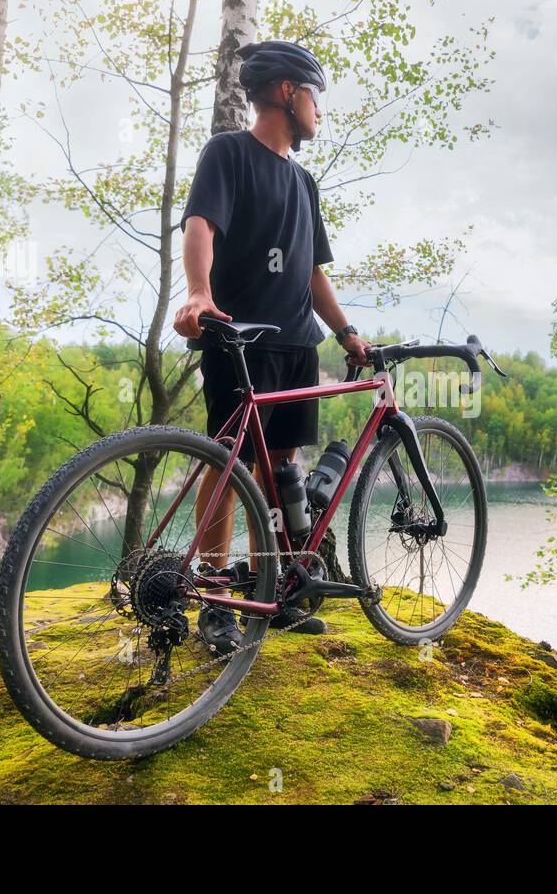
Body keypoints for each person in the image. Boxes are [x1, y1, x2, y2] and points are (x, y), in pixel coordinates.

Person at [172, 40, 373, 654]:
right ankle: (214, 605)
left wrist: (344, 333)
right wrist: (199, 295)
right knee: (226, 463)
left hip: (296, 343)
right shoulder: (229, 153)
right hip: (238, 338)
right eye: (317, 96)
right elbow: (200, 225)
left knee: (279, 465)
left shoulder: (304, 181)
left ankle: (275, 591)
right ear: (289, 91)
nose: (321, 111)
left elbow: (313, 273)